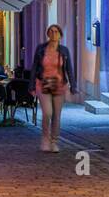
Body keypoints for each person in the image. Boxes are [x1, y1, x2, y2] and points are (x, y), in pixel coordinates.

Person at [30, 24, 76, 153]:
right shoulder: (41, 49)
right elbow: (34, 67)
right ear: (48, 34)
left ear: (60, 34)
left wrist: (73, 85)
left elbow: (69, 69)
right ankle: (45, 139)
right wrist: (31, 85)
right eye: (51, 31)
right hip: (43, 83)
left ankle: (54, 142)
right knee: (47, 112)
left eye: (56, 32)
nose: (54, 34)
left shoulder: (64, 50)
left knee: (56, 115)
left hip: (59, 85)